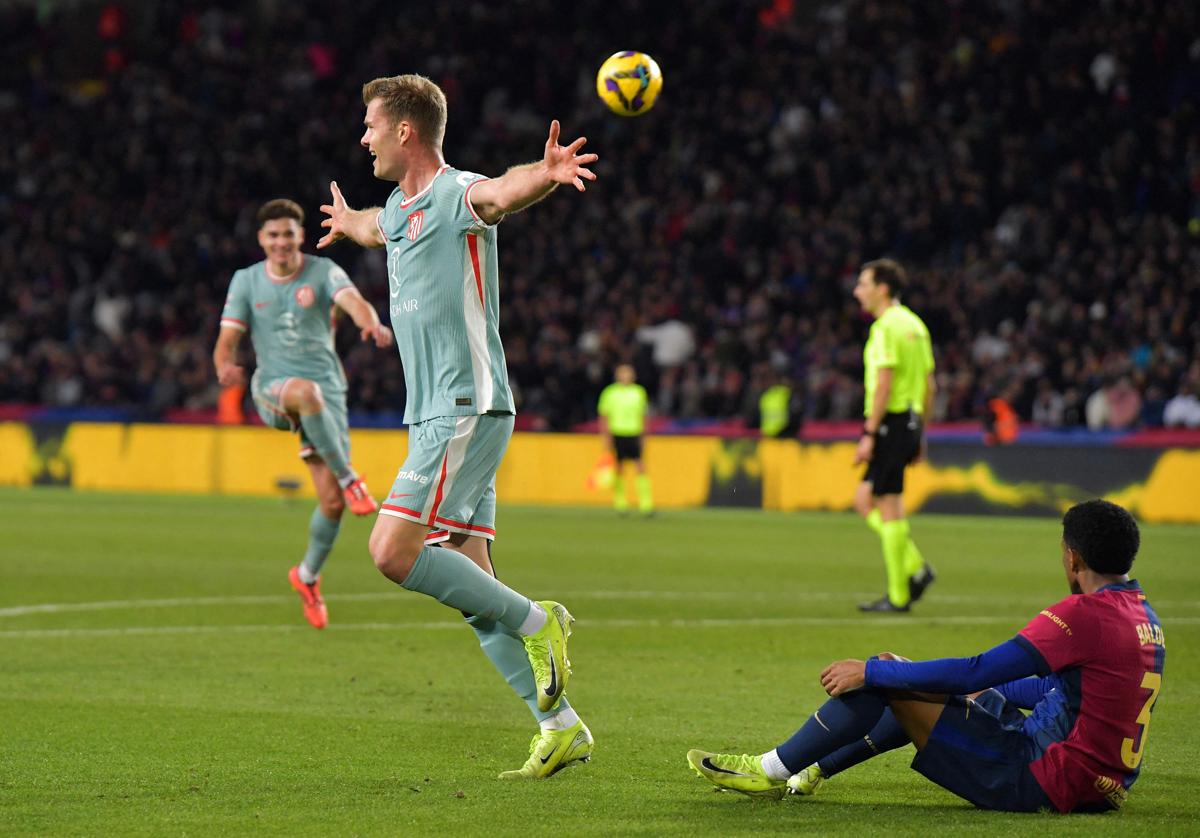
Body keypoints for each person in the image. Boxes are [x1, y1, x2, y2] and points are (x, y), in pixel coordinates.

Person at [316, 74, 598, 779]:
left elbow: (501, 192)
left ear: (406, 131)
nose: (364, 136)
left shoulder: (454, 193)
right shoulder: (397, 208)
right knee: (473, 590)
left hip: (464, 407)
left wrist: (548, 175)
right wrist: (346, 220)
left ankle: (542, 622)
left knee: (391, 551)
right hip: (439, 415)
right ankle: (559, 725)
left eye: (371, 124)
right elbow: (369, 229)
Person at [688, 499, 1164, 813]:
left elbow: (981, 668)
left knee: (887, 675)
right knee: (909, 676)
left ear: (1074, 558)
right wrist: (971, 688)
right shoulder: (1142, 617)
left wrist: (872, 670)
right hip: (1100, 783)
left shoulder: (1085, 615)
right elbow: (1052, 690)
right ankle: (812, 769)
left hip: (1040, 776)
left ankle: (768, 769)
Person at [214, 198, 393, 630]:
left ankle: (307, 576)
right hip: (274, 389)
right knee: (305, 393)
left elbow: (354, 301)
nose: (281, 242)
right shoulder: (246, 281)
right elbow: (227, 338)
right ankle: (353, 478)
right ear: (261, 239)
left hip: (328, 394)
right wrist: (223, 364)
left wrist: (369, 323)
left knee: (331, 504)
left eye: (288, 233)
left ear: (299, 235)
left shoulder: (322, 271)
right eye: (272, 234)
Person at [851, 259, 936, 612]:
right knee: (884, 504)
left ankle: (900, 593)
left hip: (890, 422)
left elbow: (884, 383)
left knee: (876, 503)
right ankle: (915, 570)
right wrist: (921, 433)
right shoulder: (915, 325)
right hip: (910, 421)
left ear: (882, 288)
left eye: (863, 284)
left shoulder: (886, 327)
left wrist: (870, 432)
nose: (858, 291)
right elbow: (930, 385)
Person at [597, 363, 654, 515]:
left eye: (628, 373)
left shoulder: (639, 392)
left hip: (634, 432)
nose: (625, 376)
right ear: (617, 376)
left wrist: (644, 436)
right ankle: (620, 502)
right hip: (617, 432)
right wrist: (605, 436)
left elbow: (643, 416)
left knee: (641, 466)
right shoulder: (610, 393)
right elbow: (604, 416)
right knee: (619, 467)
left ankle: (646, 503)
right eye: (623, 373)